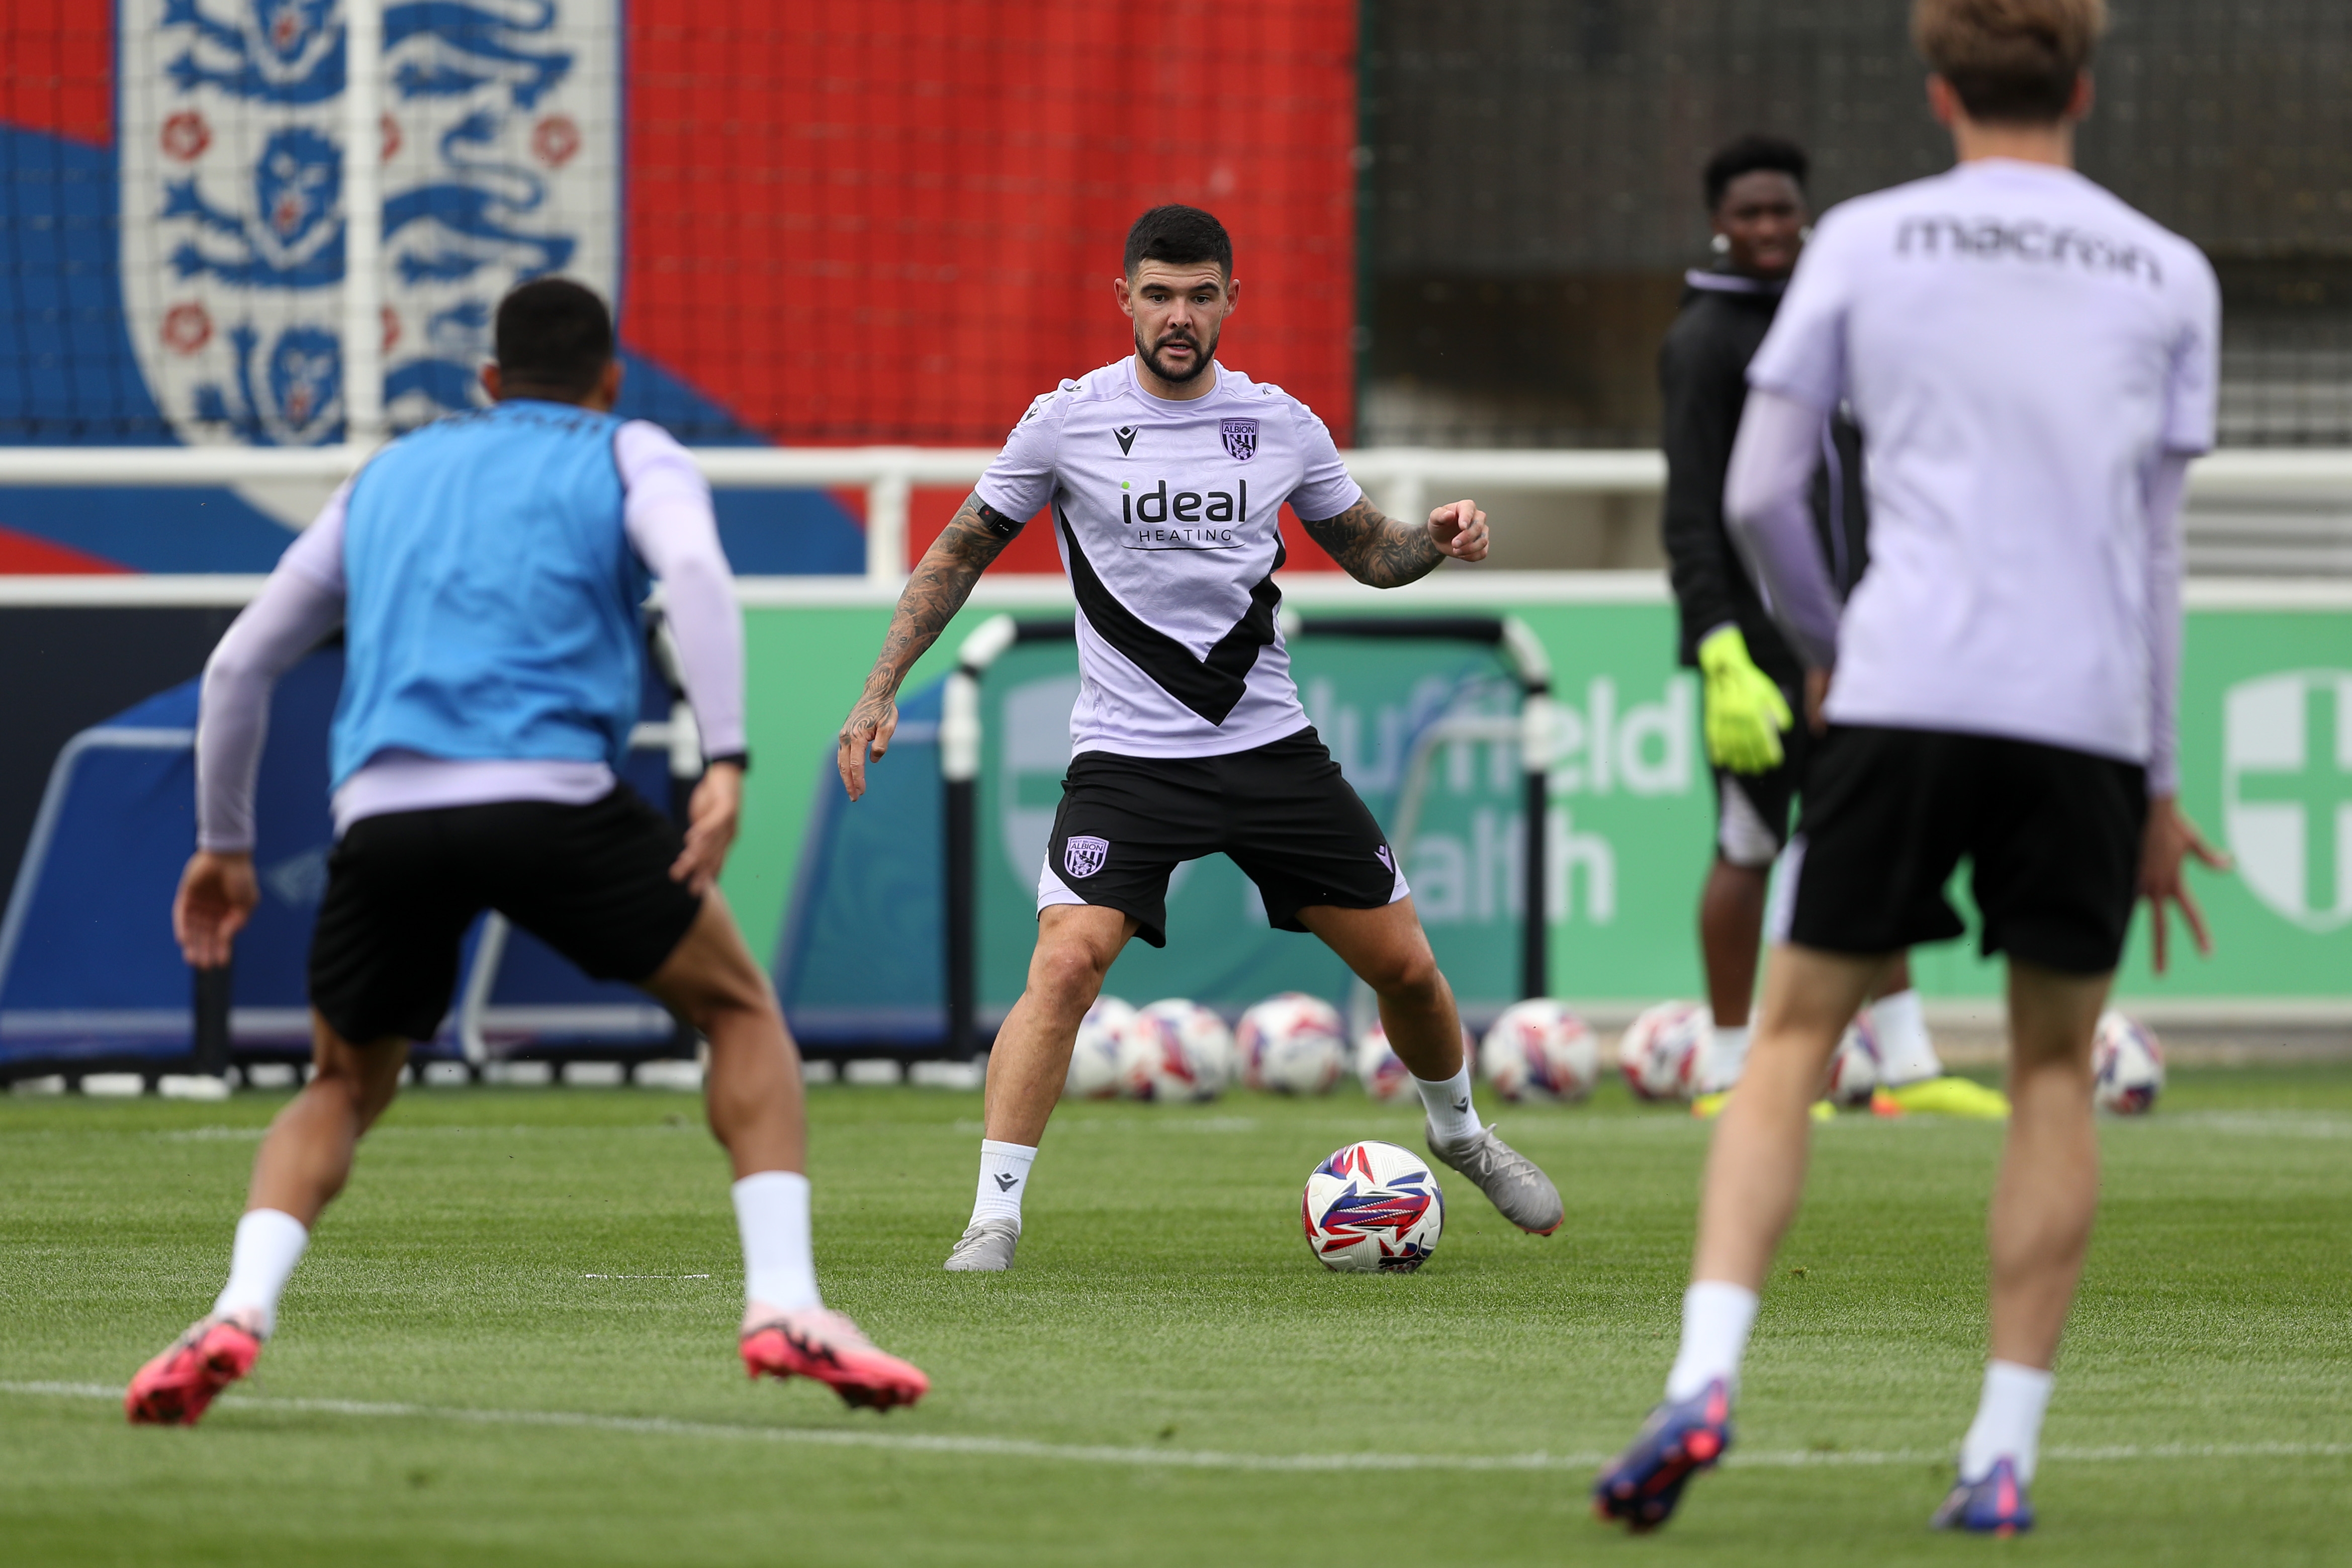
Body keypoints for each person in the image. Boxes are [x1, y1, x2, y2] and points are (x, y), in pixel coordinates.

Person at [1596, 0, 2226, 1534]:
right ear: (2081, 80)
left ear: (1935, 85)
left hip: (1900, 687)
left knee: (1788, 1048)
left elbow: (1757, 491)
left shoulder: (1864, 245)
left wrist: (1827, 644)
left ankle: (1702, 1379)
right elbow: (2154, 555)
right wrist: (2153, 781)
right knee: (2047, 1074)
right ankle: (1998, 1450)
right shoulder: (2166, 270)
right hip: (2078, 714)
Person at [125, 280, 928, 1426]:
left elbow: (239, 667)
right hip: (555, 803)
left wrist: (225, 847)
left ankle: (238, 1310)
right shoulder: (627, 450)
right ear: (610, 381)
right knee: (741, 1012)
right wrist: (729, 755)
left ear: (488, 383)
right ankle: (786, 1303)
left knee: (342, 1086)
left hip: (387, 819)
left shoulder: (386, 475)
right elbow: (696, 576)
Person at [837, 205, 1565, 1272]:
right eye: (1158, 294)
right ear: (1124, 299)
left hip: (1268, 749)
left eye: (1199, 295)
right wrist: (879, 686)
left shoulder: (1280, 424)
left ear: (1231, 300)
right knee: (1066, 963)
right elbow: (958, 550)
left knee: (1405, 969)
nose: (1178, 316)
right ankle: (992, 1215)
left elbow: (1368, 554)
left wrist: (1435, 542)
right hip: (1127, 761)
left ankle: (1457, 1134)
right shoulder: (1064, 420)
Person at [1661, 133, 2005, 1122]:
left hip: (1857, 638)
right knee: (1746, 842)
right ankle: (1726, 1069)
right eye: (1748, 213)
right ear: (1718, 225)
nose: (1768, 229)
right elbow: (1692, 506)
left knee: (1869, 838)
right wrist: (1714, 643)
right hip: (1756, 646)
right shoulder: (1703, 341)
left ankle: (1903, 1065)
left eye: (1781, 210)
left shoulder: (1836, 323)